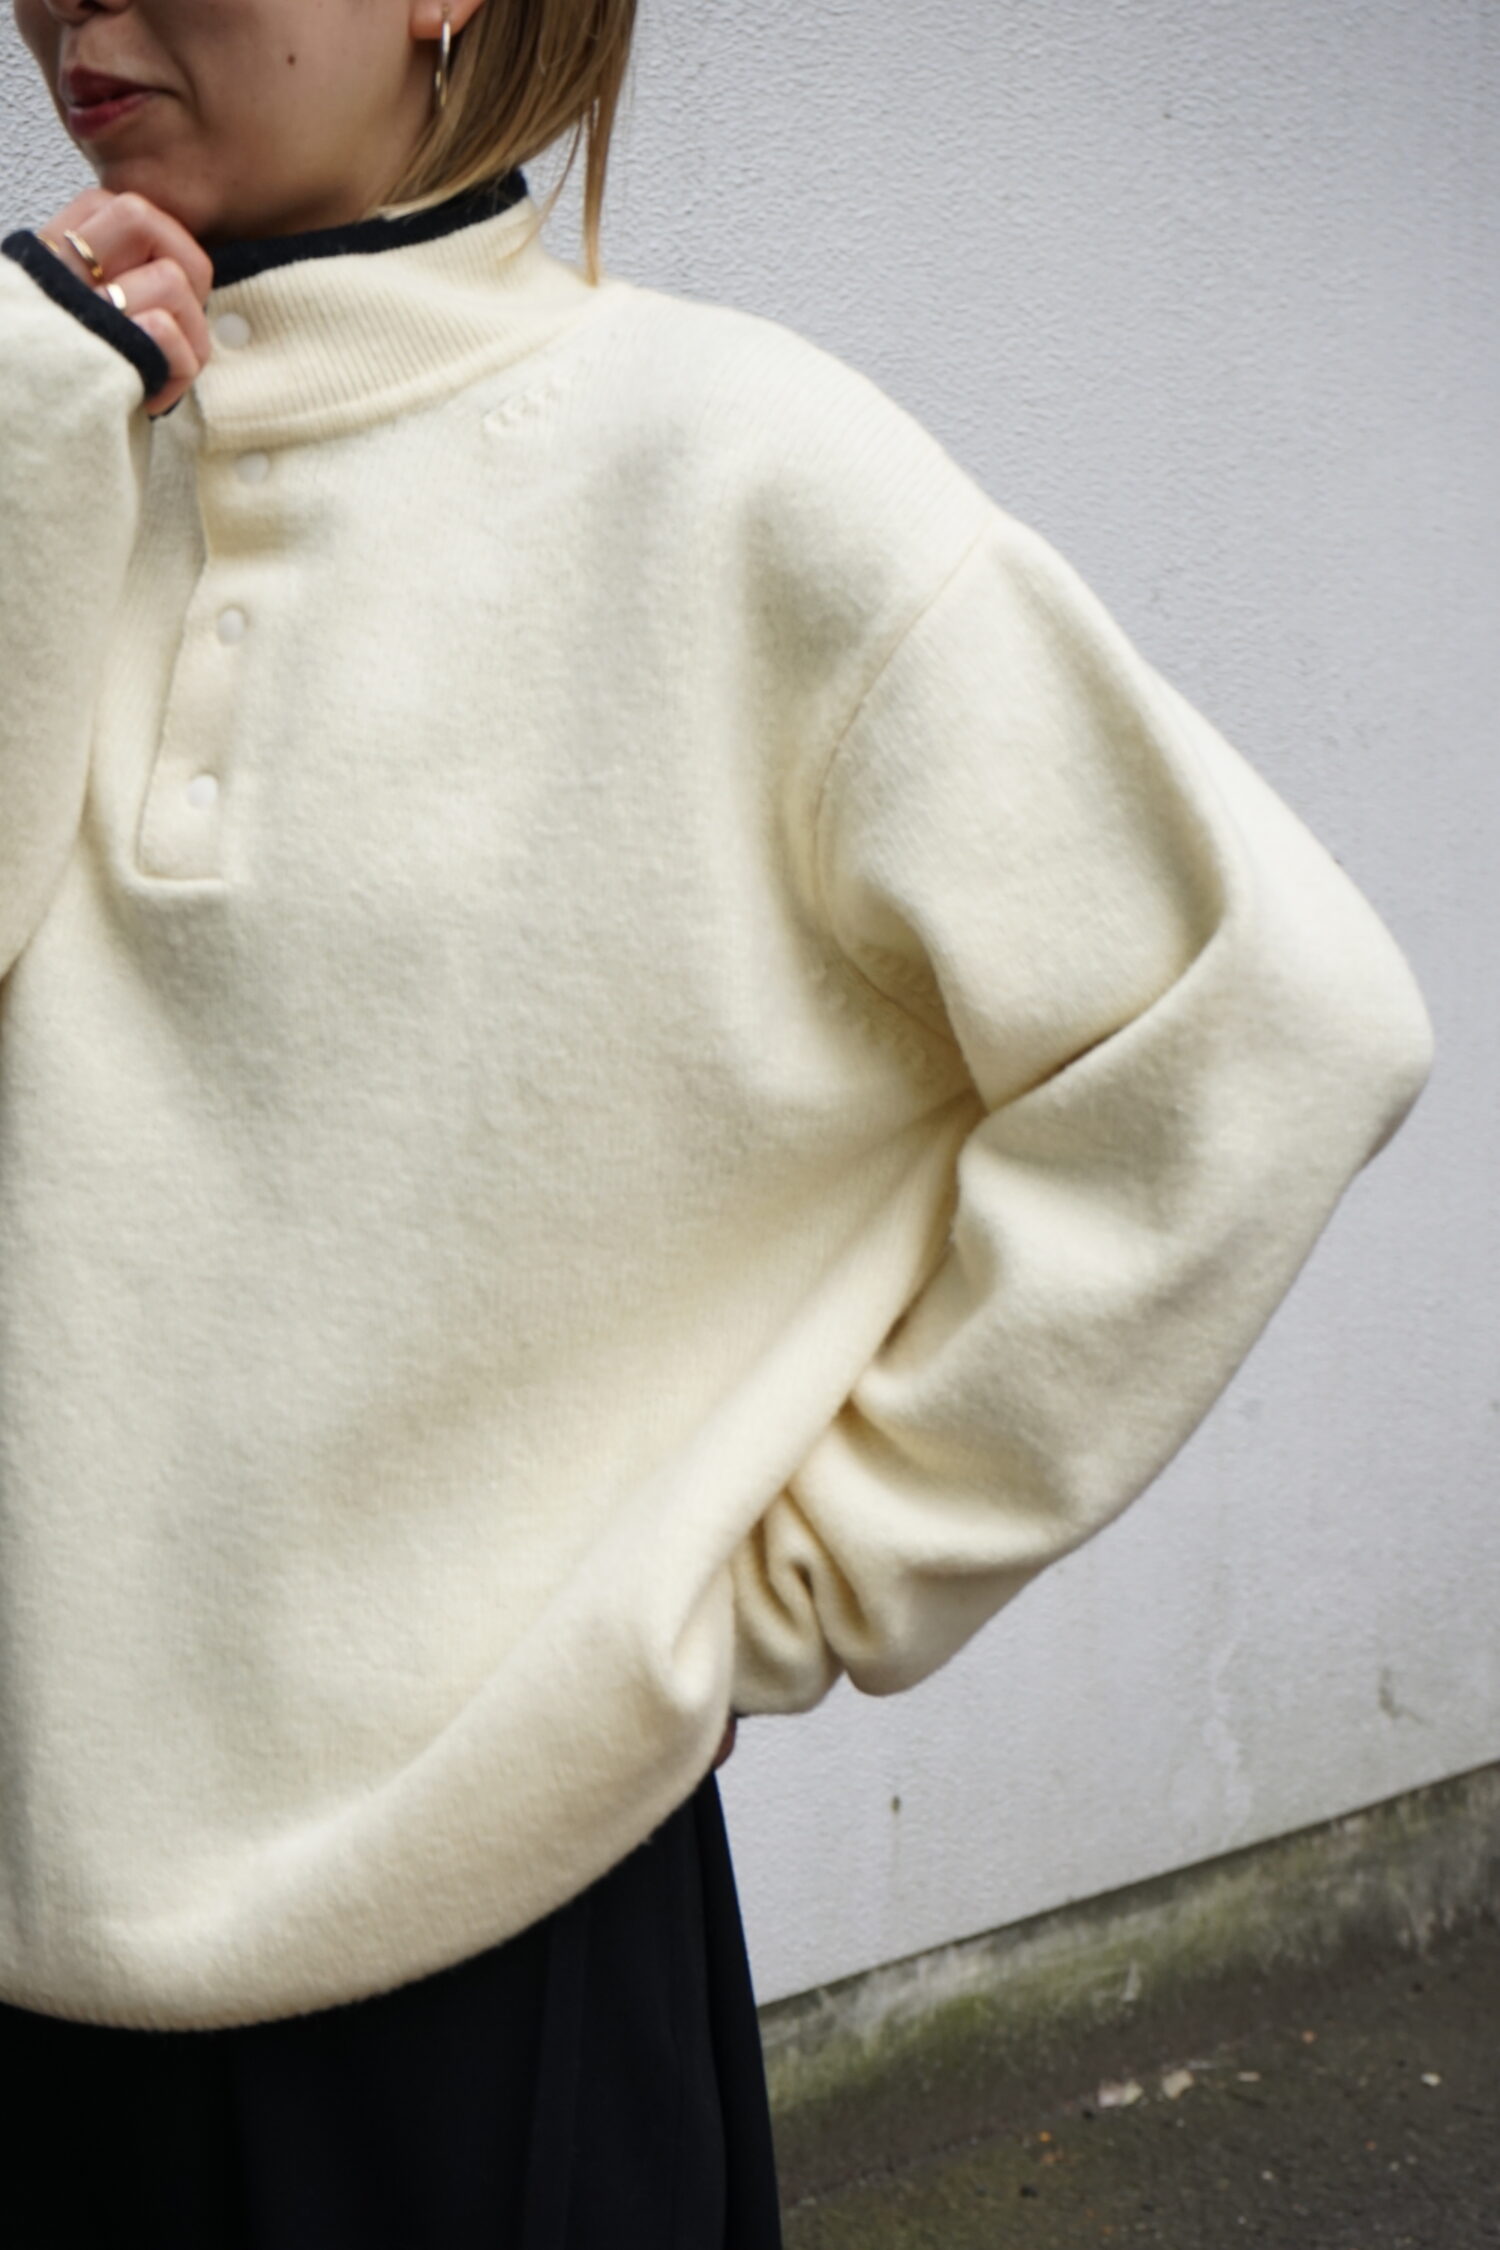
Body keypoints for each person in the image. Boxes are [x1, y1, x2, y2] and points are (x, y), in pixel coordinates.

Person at [0, 0, 1434, 2242]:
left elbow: (1260, 1030)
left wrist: (789, 1585)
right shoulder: (50, 431)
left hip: (487, 1948)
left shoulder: (730, 466)